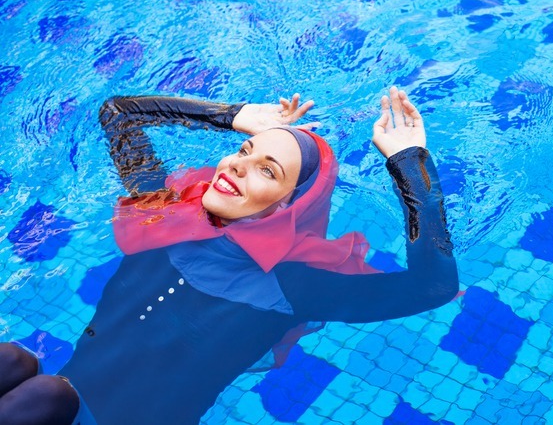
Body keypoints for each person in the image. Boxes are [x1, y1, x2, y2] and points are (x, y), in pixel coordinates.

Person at [0, 86, 458, 425]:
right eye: (244, 151)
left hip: (94, 412)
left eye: (267, 170)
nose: (237, 164)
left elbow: (432, 286)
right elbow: (119, 113)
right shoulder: (164, 212)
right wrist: (236, 116)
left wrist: (409, 162)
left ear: (289, 205)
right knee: (15, 363)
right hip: (58, 396)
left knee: (45, 393)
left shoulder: (294, 286)